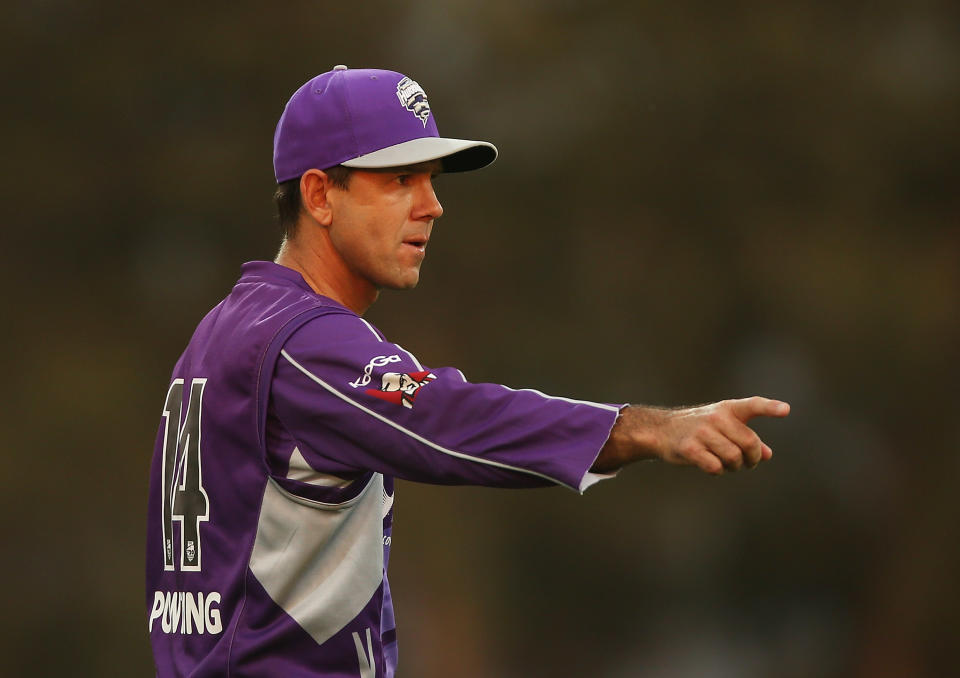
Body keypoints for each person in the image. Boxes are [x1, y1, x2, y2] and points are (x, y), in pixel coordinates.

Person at [145, 65, 790, 678]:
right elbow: (446, 420)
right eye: (399, 179)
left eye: (431, 179)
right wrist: (644, 429)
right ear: (318, 195)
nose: (432, 205)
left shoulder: (228, 328)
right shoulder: (304, 340)